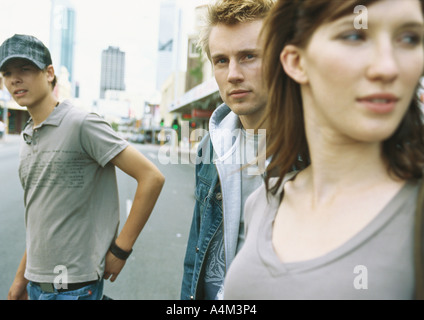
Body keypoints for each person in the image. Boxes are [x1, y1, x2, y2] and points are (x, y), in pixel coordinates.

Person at [224, 0, 424, 299]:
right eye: (355, 36)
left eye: (409, 38)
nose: (388, 67)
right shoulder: (266, 201)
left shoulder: (413, 209)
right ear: (295, 61)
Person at [1, 34, 165, 300]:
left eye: (25, 69)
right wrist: (21, 278)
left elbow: (151, 177)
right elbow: (40, 217)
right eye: (7, 72)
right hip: (36, 286)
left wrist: (121, 250)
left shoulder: (81, 123)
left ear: (49, 73)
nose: (14, 79)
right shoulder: (29, 136)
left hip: (74, 288)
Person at [180, 0, 275, 300]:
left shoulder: (318, 148)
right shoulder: (211, 146)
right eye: (221, 60)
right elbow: (195, 253)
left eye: (249, 56)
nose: (233, 74)